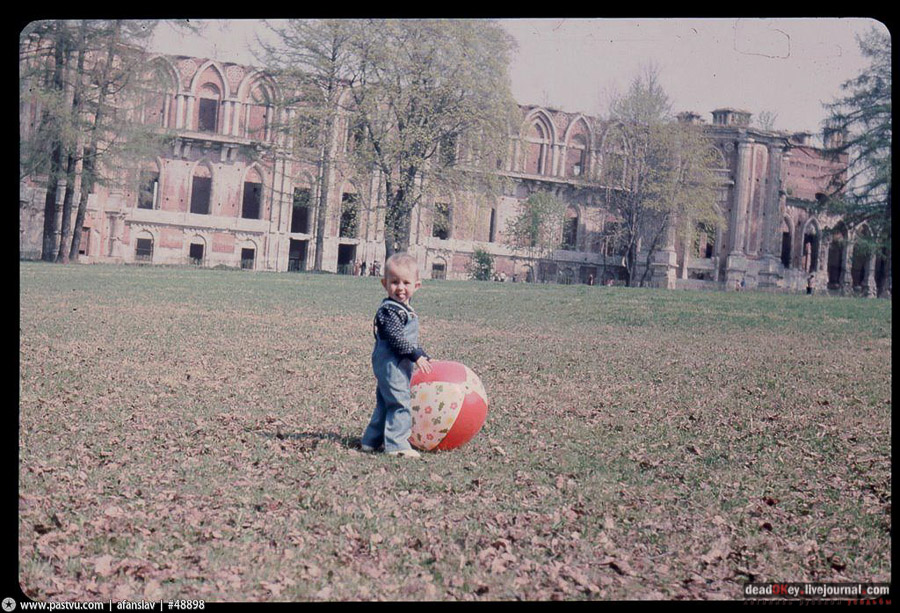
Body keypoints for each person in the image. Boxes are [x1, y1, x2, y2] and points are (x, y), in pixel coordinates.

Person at [360, 253, 432, 458]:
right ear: (385, 284)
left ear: (416, 286)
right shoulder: (390, 310)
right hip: (390, 363)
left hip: (398, 363)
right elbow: (396, 338)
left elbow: (409, 341)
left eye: (406, 282)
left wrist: (422, 355)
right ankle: (397, 444)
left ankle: (371, 441)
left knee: (385, 401)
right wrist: (415, 355)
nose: (400, 288)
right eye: (394, 282)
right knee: (400, 401)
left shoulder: (404, 309)